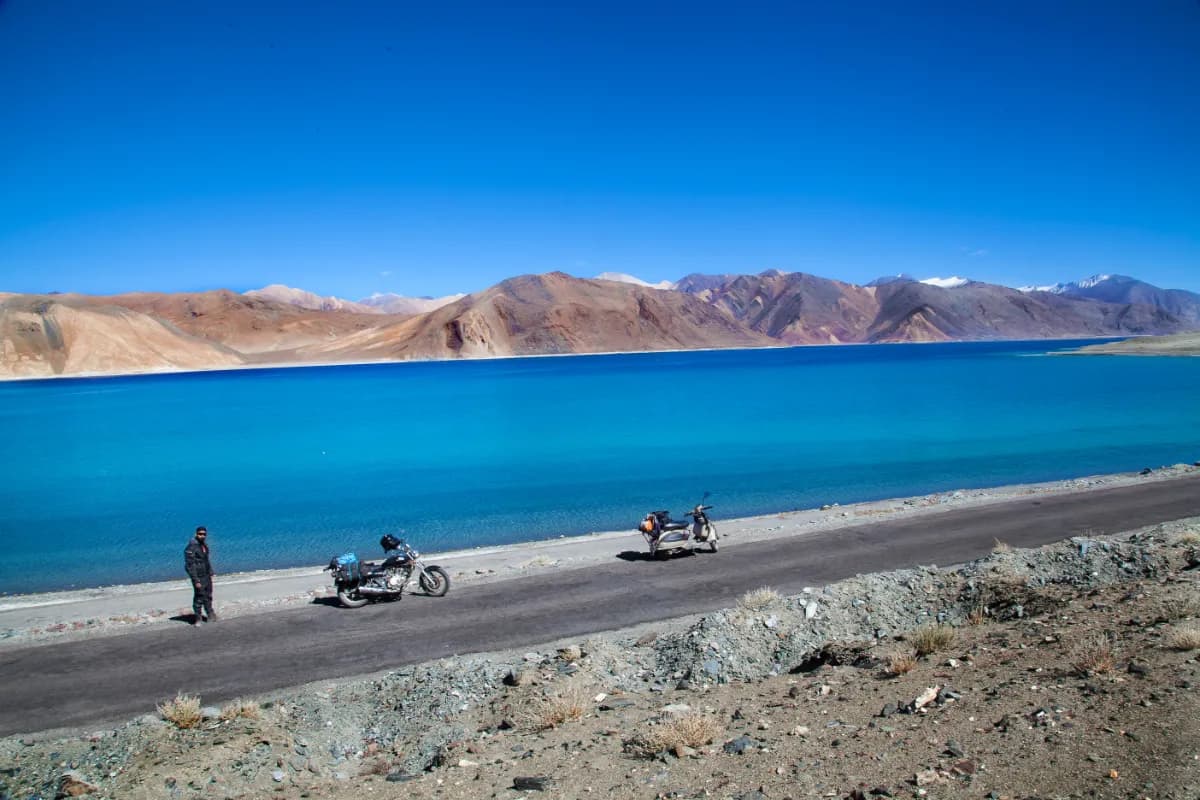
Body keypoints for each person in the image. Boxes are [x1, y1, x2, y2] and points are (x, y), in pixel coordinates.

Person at [184, 525, 216, 624]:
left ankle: (210, 614)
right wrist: (195, 580)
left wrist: (210, 571)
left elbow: (206, 560)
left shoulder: (204, 545)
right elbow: (190, 565)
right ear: (196, 534)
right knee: (199, 596)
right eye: (200, 534)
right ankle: (198, 618)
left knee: (208, 595)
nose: (202, 536)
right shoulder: (191, 547)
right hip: (198, 576)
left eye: (204, 534)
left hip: (206, 575)